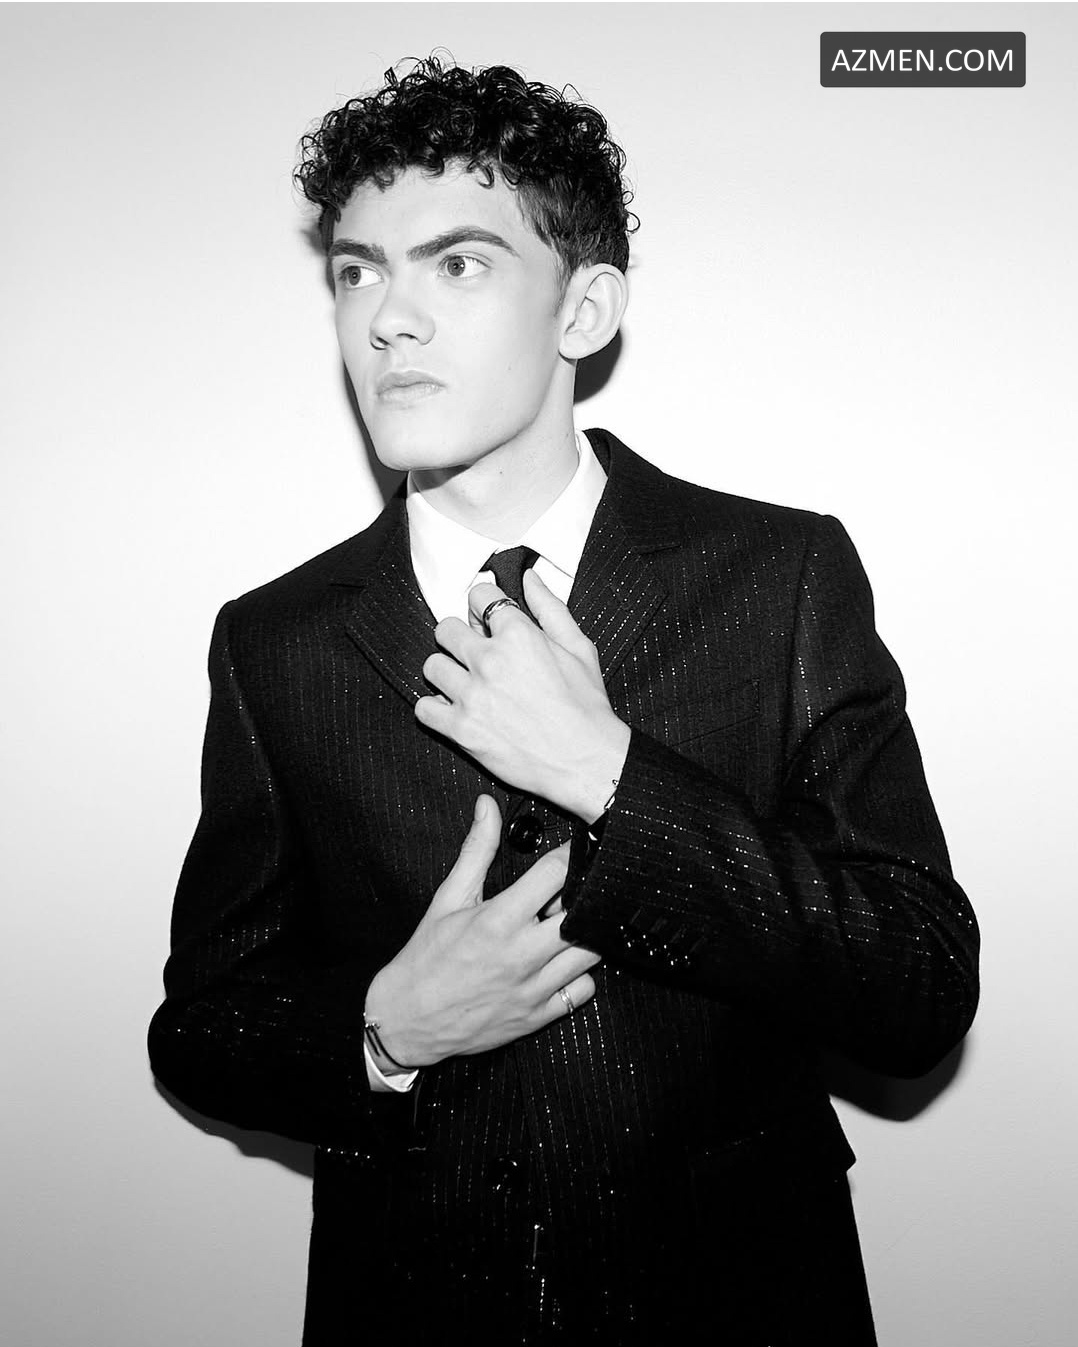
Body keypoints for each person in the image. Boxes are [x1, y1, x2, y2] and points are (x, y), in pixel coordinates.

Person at [148, 58, 979, 1345]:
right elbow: (203, 1026)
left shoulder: (778, 577)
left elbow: (915, 986)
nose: (388, 320)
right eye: (358, 272)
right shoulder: (275, 640)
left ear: (583, 308)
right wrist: (386, 1031)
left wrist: (611, 776)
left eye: (457, 264)